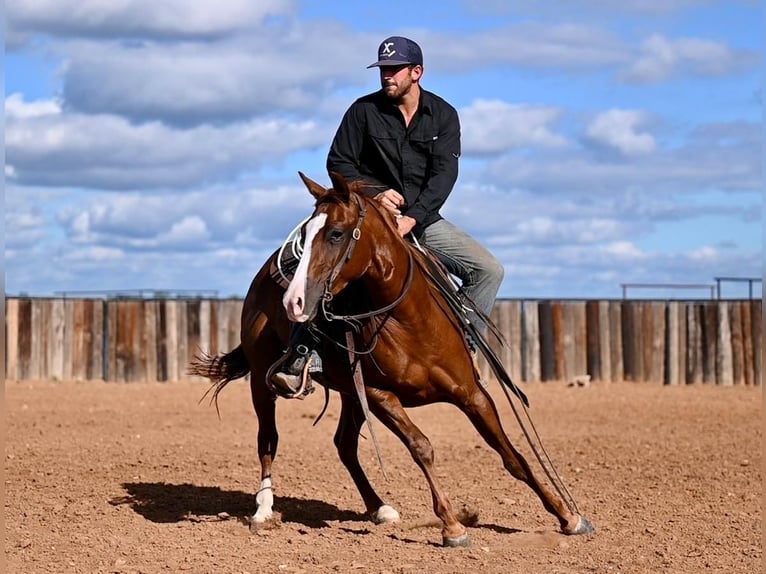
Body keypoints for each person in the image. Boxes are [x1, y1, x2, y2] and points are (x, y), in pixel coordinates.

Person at [270, 36, 504, 395]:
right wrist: (376, 192)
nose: (387, 76)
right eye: (383, 70)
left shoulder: (443, 116)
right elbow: (339, 163)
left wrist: (414, 218)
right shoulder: (362, 112)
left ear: (417, 72)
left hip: (423, 220)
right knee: (330, 266)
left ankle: (464, 345)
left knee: (488, 270)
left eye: (394, 70)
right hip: (369, 221)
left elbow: (444, 176)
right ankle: (303, 351)